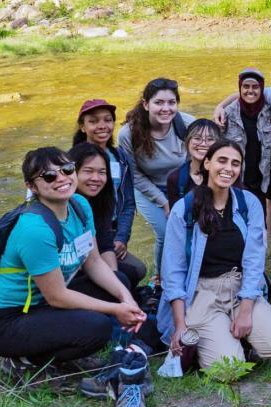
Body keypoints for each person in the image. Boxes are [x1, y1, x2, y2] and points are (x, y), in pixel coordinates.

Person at [0, 147, 146, 380]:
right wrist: (116, 310)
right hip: (7, 321)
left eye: (67, 169)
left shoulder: (79, 205)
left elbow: (94, 261)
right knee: (98, 327)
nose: (62, 178)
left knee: (119, 282)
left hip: (41, 305)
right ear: (31, 186)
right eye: (49, 176)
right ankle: (24, 361)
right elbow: (57, 296)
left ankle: (55, 347)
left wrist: (126, 298)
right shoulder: (35, 229)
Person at [159, 141, 271, 370]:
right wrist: (180, 324)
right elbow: (173, 269)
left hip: (240, 286)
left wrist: (245, 311)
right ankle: (221, 342)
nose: (228, 168)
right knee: (229, 368)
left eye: (235, 163)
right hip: (202, 292)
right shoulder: (184, 209)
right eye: (222, 160)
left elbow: (254, 260)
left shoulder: (248, 203)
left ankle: (237, 336)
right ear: (207, 163)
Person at [118, 78, 195, 271]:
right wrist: (163, 201)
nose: (166, 108)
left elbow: (201, 157)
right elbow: (133, 175)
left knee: (189, 230)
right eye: (158, 102)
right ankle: (160, 277)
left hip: (182, 186)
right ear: (146, 104)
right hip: (148, 188)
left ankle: (190, 271)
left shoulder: (187, 125)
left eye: (171, 102)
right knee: (165, 232)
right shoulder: (128, 134)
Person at [72, 98, 145, 286]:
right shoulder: (72, 160)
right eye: (93, 121)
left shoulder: (121, 158)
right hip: (82, 235)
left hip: (110, 231)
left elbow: (128, 202)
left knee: (138, 270)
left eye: (107, 120)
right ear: (82, 126)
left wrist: (121, 237)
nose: (102, 126)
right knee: (126, 274)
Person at [221, 68, 271, 211]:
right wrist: (219, 107)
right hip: (236, 180)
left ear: (261, 88)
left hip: (263, 181)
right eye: (246, 87)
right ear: (240, 88)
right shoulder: (226, 113)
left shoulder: (269, 110)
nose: (250, 91)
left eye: (255, 87)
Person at [165, 119, 224, 207]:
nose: (203, 144)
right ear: (187, 142)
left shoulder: (225, 174)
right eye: (197, 138)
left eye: (210, 139)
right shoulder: (175, 178)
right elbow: (176, 217)